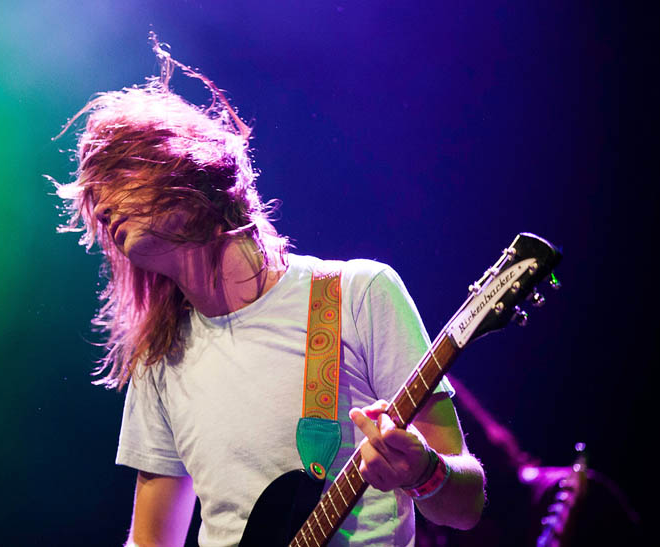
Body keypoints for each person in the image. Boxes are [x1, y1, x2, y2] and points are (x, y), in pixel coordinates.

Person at [55, 40, 485, 547]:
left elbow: (467, 506)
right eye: (91, 200)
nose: (101, 206)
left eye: (116, 175)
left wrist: (424, 471)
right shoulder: (159, 359)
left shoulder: (358, 293)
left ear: (182, 161)